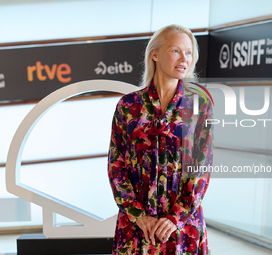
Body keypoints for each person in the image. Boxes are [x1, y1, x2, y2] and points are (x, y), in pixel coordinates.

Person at [107, 24, 213, 255]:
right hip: (137, 227)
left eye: (189, 52)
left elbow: (202, 169)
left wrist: (175, 217)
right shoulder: (128, 106)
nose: (184, 58)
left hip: (182, 227)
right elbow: (117, 167)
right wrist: (138, 216)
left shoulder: (199, 105)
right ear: (154, 54)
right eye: (176, 50)